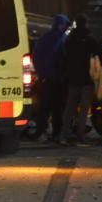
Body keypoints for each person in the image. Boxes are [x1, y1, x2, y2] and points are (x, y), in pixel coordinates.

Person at [60, 15, 102, 145]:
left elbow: (63, 57)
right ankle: (80, 135)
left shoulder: (69, 39)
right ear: (86, 24)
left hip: (72, 79)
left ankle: (64, 134)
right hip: (86, 79)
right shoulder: (89, 39)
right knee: (84, 110)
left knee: (69, 108)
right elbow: (99, 53)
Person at [30, 13, 71, 143]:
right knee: (46, 108)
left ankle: (54, 132)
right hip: (48, 79)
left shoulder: (62, 39)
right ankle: (42, 131)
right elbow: (38, 59)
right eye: (62, 24)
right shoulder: (48, 39)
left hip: (58, 79)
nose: (63, 27)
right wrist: (43, 74)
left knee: (57, 108)